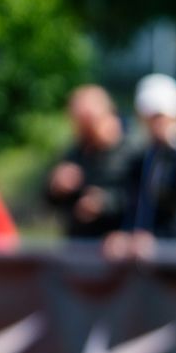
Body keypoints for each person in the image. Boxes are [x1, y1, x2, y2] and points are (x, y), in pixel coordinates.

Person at [107, 72, 176, 257]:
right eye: (151, 118)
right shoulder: (142, 159)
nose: (157, 125)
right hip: (140, 257)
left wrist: (158, 240)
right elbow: (133, 205)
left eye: (160, 117)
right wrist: (125, 235)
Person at [45, 84, 129, 239]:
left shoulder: (133, 151)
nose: (85, 130)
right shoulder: (76, 152)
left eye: (89, 122)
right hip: (79, 245)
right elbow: (49, 200)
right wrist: (56, 186)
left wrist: (105, 203)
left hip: (118, 249)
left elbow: (141, 198)